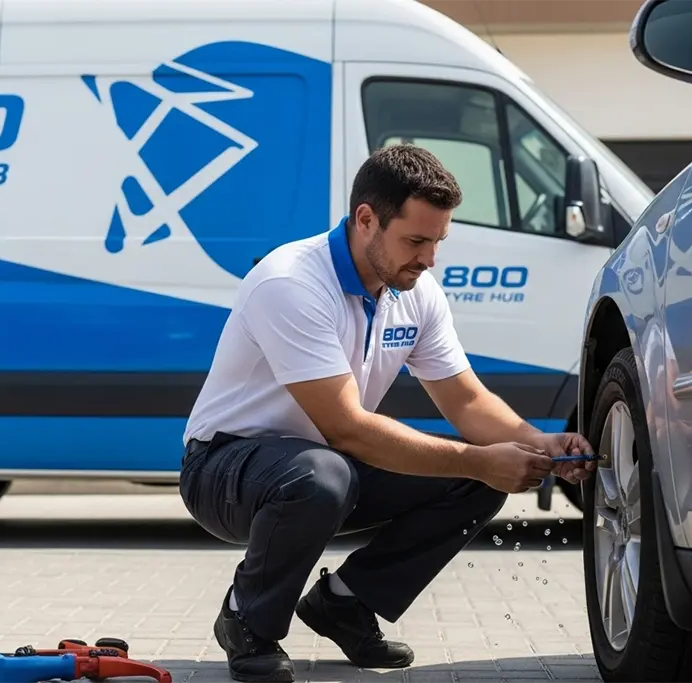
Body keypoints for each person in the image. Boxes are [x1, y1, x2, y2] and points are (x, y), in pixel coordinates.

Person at [178, 143, 595, 683]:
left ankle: (345, 603)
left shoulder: (415, 290)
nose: (428, 259)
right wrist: (475, 458)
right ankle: (247, 620)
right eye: (416, 241)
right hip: (225, 469)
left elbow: (464, 400)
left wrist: (539, 445)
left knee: (479, 479)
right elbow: (346, 427)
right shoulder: (292, 283)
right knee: (331, 473)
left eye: (438, 241)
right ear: (366, 219)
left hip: (324, 463)